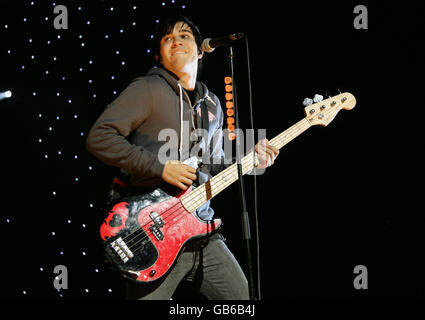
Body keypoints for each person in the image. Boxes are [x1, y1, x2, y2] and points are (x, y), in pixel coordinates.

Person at [85, 14, 279, 300]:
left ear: (201, 49)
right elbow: (99, 137)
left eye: (184, 35)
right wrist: (160, 168)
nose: (175, 41)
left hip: (202, 235)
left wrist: (252, 161)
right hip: (151, 234)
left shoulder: (213, 104)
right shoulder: (147, 89)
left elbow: (213, 163)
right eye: (167, 38)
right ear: (158, 56)